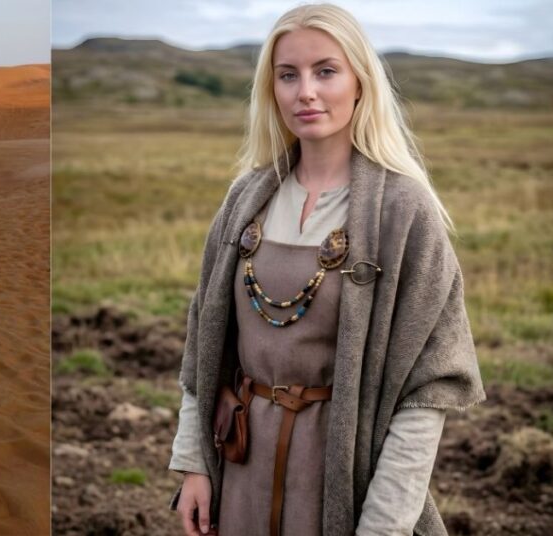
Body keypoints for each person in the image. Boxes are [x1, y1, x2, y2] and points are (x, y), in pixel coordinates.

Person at [167, 4, 485, 536]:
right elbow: (204, 343)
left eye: (326, 71)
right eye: (287, 75)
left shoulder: (404, 211)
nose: (305, 92)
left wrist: (382, 527)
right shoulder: (246, 199)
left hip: (342, 477)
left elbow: (426, 391)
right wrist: (195, 462)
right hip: (241, 467)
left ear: (360, 81)